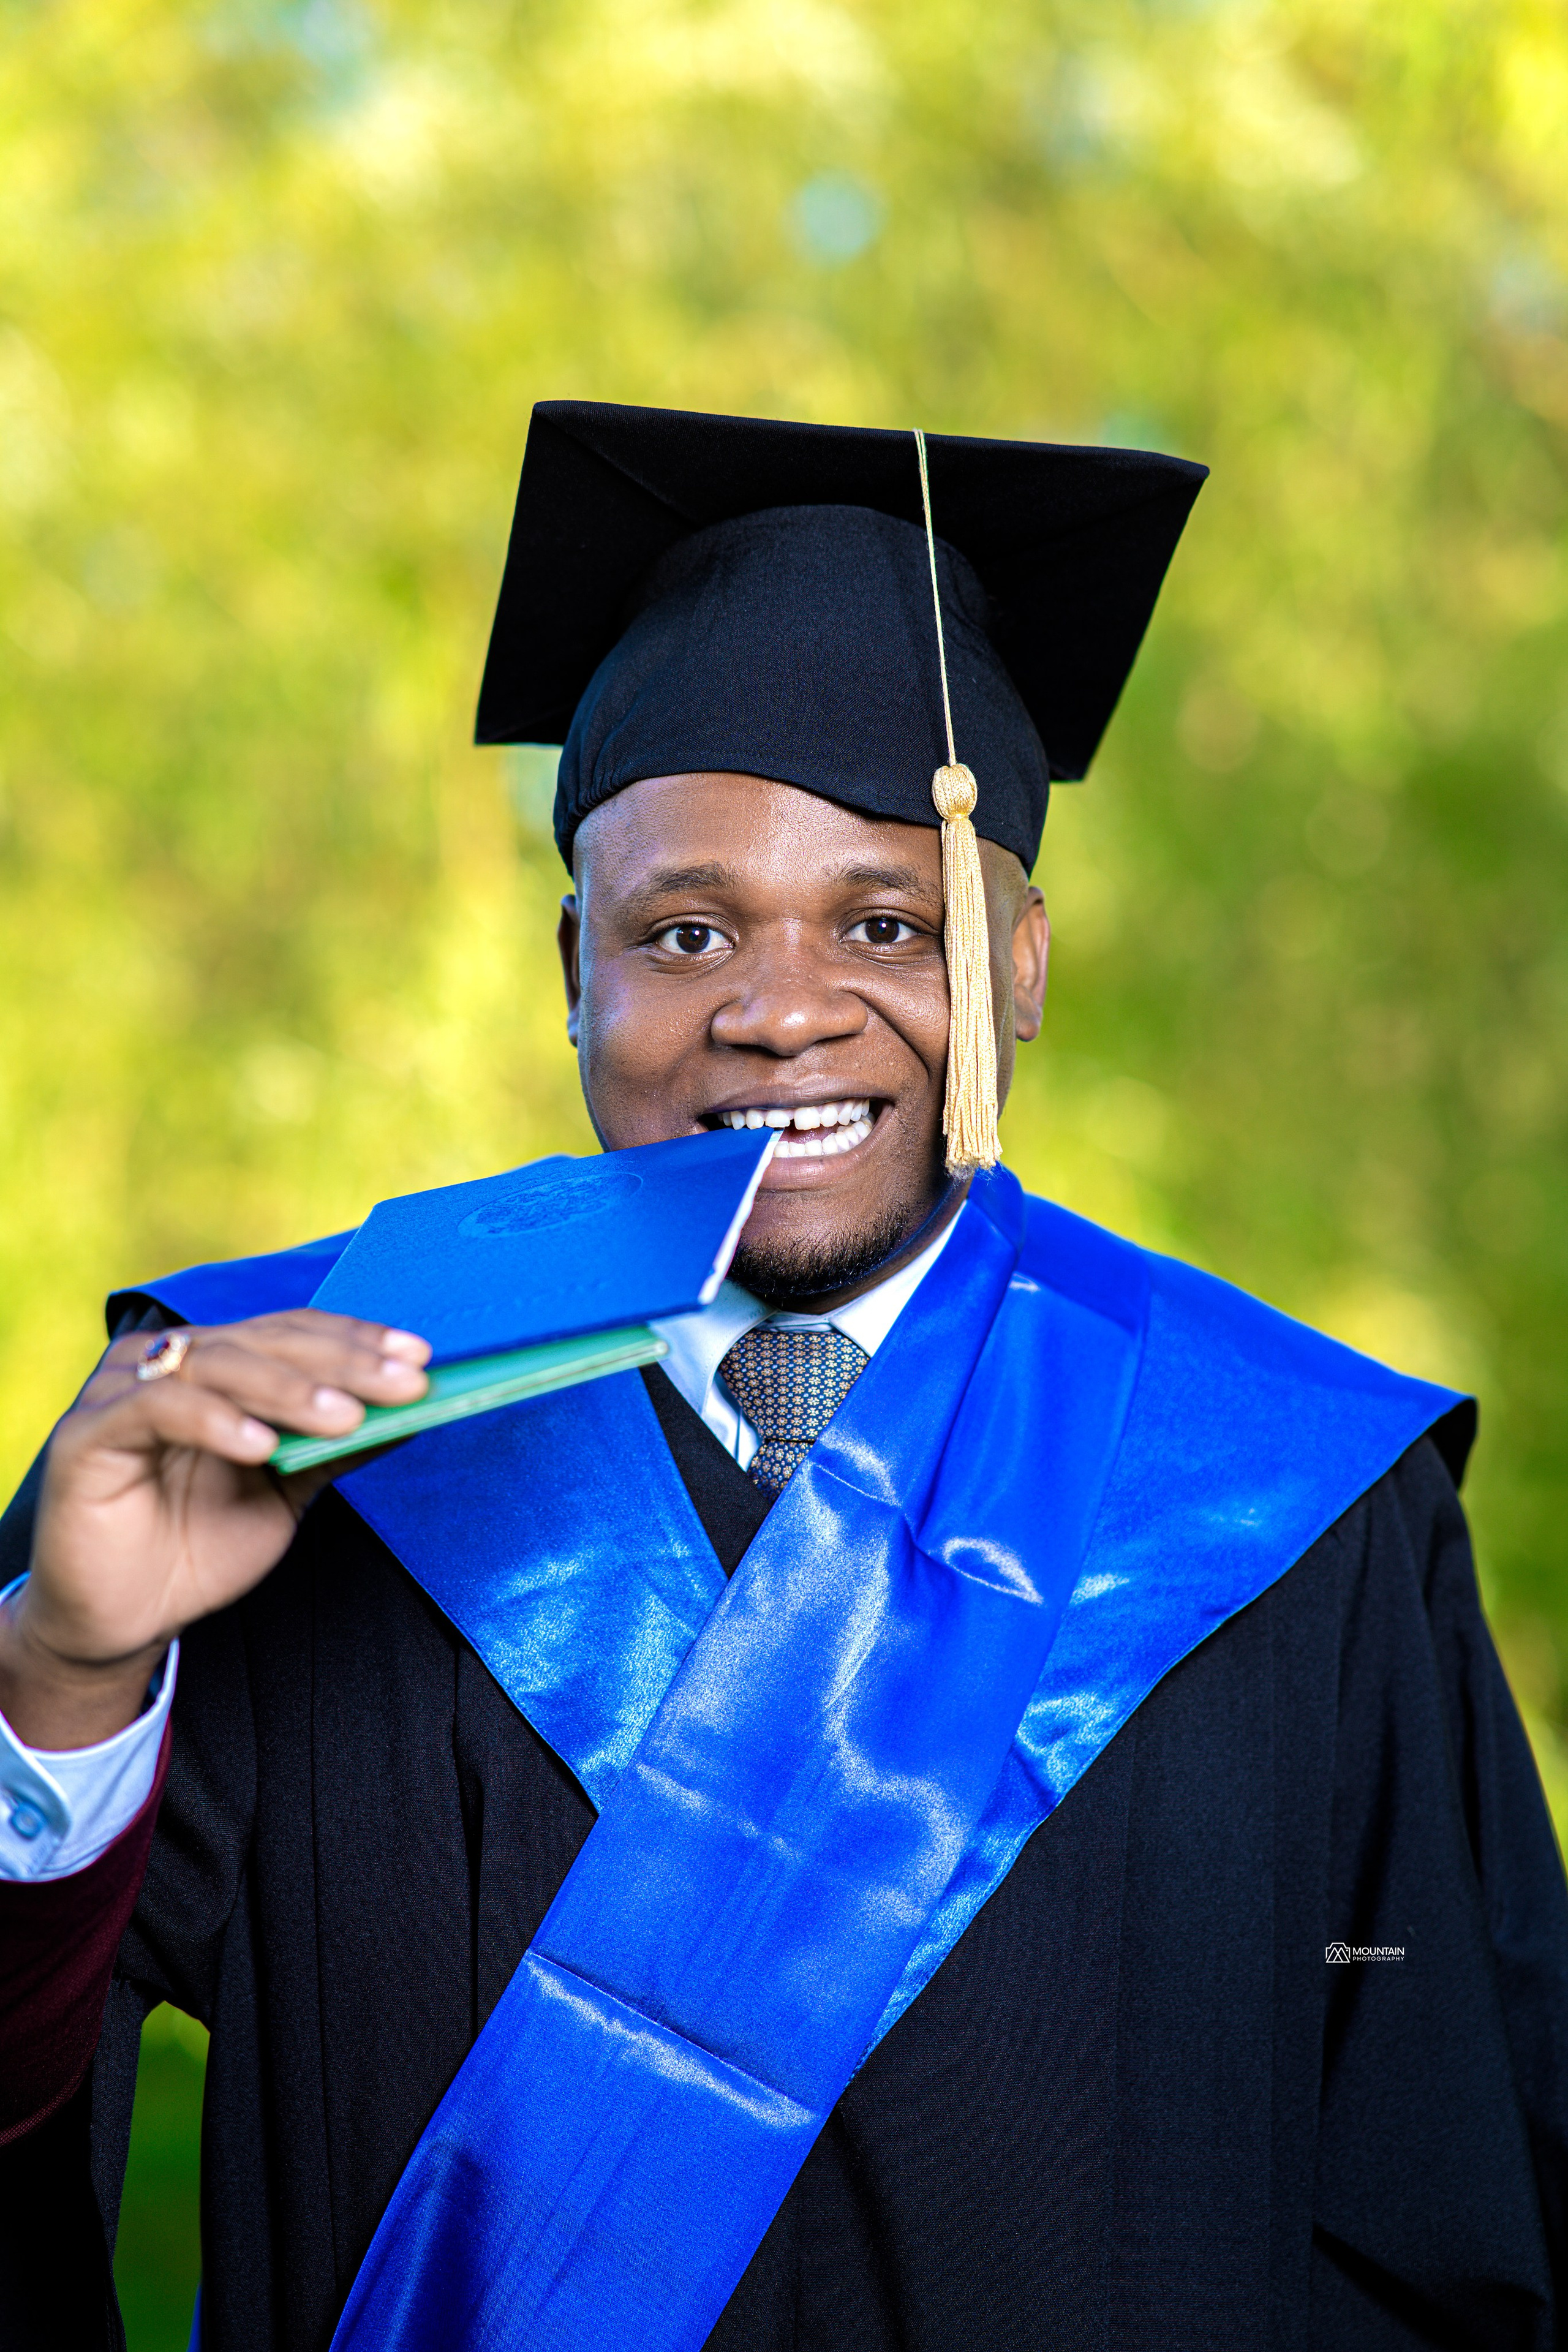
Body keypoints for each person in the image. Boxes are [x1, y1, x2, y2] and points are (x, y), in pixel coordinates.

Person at [1, 401, 1564, 2352]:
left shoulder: (1287, 1499)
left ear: (1020, 969)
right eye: (685, 931)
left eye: (886, 922)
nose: (782, 1007)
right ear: (573, 964)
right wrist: (63, 1689)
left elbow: (1451, 2223)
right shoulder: (283, 1432)